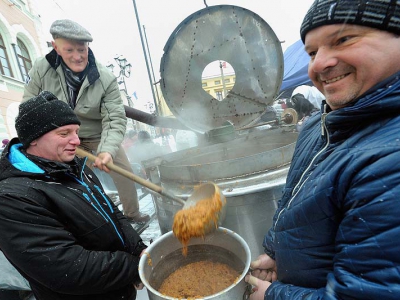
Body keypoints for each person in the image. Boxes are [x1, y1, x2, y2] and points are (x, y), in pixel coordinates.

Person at [245, 1, 400, 299]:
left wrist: (272, 295)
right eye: (313, 52)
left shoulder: (390, 160)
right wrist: (277, 253)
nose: (318, 65)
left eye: (343, 39)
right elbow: (294, 201)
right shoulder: (319, 124)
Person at [0, 91, 147, 300]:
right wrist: (135, 267)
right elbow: (67, 269)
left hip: (118, 289)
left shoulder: (76, 168)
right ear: (34, 139)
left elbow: (112, 213)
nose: (77, 140)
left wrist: (138, 249)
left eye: (76, 131)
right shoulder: (12, 198)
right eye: (64, 133)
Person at [22, 19, 149, 223]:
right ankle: (82, 221)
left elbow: (114, 117)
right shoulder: (41, 68)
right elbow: (28, 107)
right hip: (59, 135)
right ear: (56, 47)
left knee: (123, 170)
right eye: (69, 49)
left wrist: (107, 150)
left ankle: (132, 214)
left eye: (82, 49)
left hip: (97, 135)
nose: (77, 56)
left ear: (88, 47)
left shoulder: (105, 77)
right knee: (68, 179)